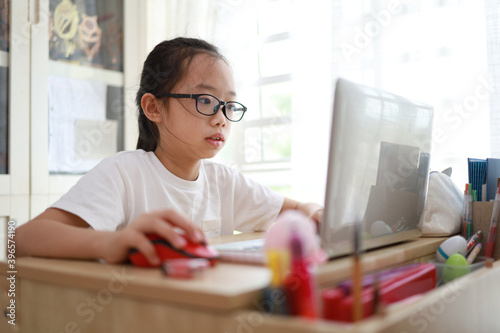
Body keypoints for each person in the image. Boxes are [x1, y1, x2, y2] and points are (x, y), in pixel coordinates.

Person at [16, 37, 323, 266]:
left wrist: (314, 212)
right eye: (205, 100)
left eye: (228, 104)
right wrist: (112, 242)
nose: (221, 118)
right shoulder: (125, 173)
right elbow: (24, 239)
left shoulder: (224, 181)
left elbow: (298, 210)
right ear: (154, 107)